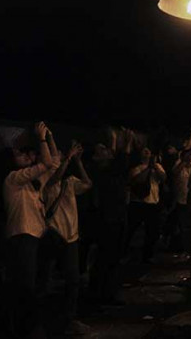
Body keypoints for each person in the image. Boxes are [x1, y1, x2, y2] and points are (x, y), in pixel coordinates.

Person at [2, 122, 60, 336]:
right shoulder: (12, 179)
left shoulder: (32, 183)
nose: (26, 156)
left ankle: (32, 325)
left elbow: (54, 164)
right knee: (25, 286)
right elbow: (46, 163)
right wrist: (42, 138)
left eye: (27, 154)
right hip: (22, 236)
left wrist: (50, 138)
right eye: (20, 154)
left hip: (34, 236)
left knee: (36, 284)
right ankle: (26, 328)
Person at [40, 141, 93, 336]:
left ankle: (69, 319)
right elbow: (54, 178)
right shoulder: (45, 179)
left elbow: (88, 184)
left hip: (71, 235)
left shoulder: (69, 181)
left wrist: (78, 162)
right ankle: (39, 320)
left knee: (72, 280)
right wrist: (69, 158)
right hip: (54, 233)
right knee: (45, 279)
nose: (60, 156)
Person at [87, 127, 131, 306]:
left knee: (112, 257)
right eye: (101, 150)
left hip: (116, 216)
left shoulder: (108, 169)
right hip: (108, 219)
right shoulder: (101, 170)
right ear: (95, 157)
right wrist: (119, 141)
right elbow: (121, 161)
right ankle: (100, 294)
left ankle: (106, 292)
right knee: (106, 257)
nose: (106, 151)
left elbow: (119, 161)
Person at [126, 146, 166, 264]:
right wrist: (148, 168)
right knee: (131, 230)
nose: (147, 152)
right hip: (138, 203)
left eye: (149, 151)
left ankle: (147, 256)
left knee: (152, 231)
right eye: (144, 151)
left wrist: (155, 167)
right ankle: (126, 253)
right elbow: (137, 180)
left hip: (153, 203)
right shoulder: (136, 168)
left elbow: (163, 178)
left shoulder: (157, 166)